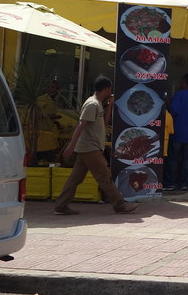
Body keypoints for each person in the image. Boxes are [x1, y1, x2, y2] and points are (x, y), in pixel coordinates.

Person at [53, 76, 139, 215]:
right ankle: (120, 205)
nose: (110, 91)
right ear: (106, 89)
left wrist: (109, 105)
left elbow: (104, 123)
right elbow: (81, 124)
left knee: (75, 179)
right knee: (105, 177)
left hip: (88, 148)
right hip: (90, 148)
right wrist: (71, 146)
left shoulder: (97, 104)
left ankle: (61, 205)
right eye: (110, 89)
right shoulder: (92, 104)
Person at [164, 74, 188, 191]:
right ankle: (183, 184)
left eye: (181, 81)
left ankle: (170, 183)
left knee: (173, 159)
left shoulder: (179, 95)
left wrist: (168, 102)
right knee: (186, 160)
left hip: (177, 132)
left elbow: (173, 111)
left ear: (184, 82)